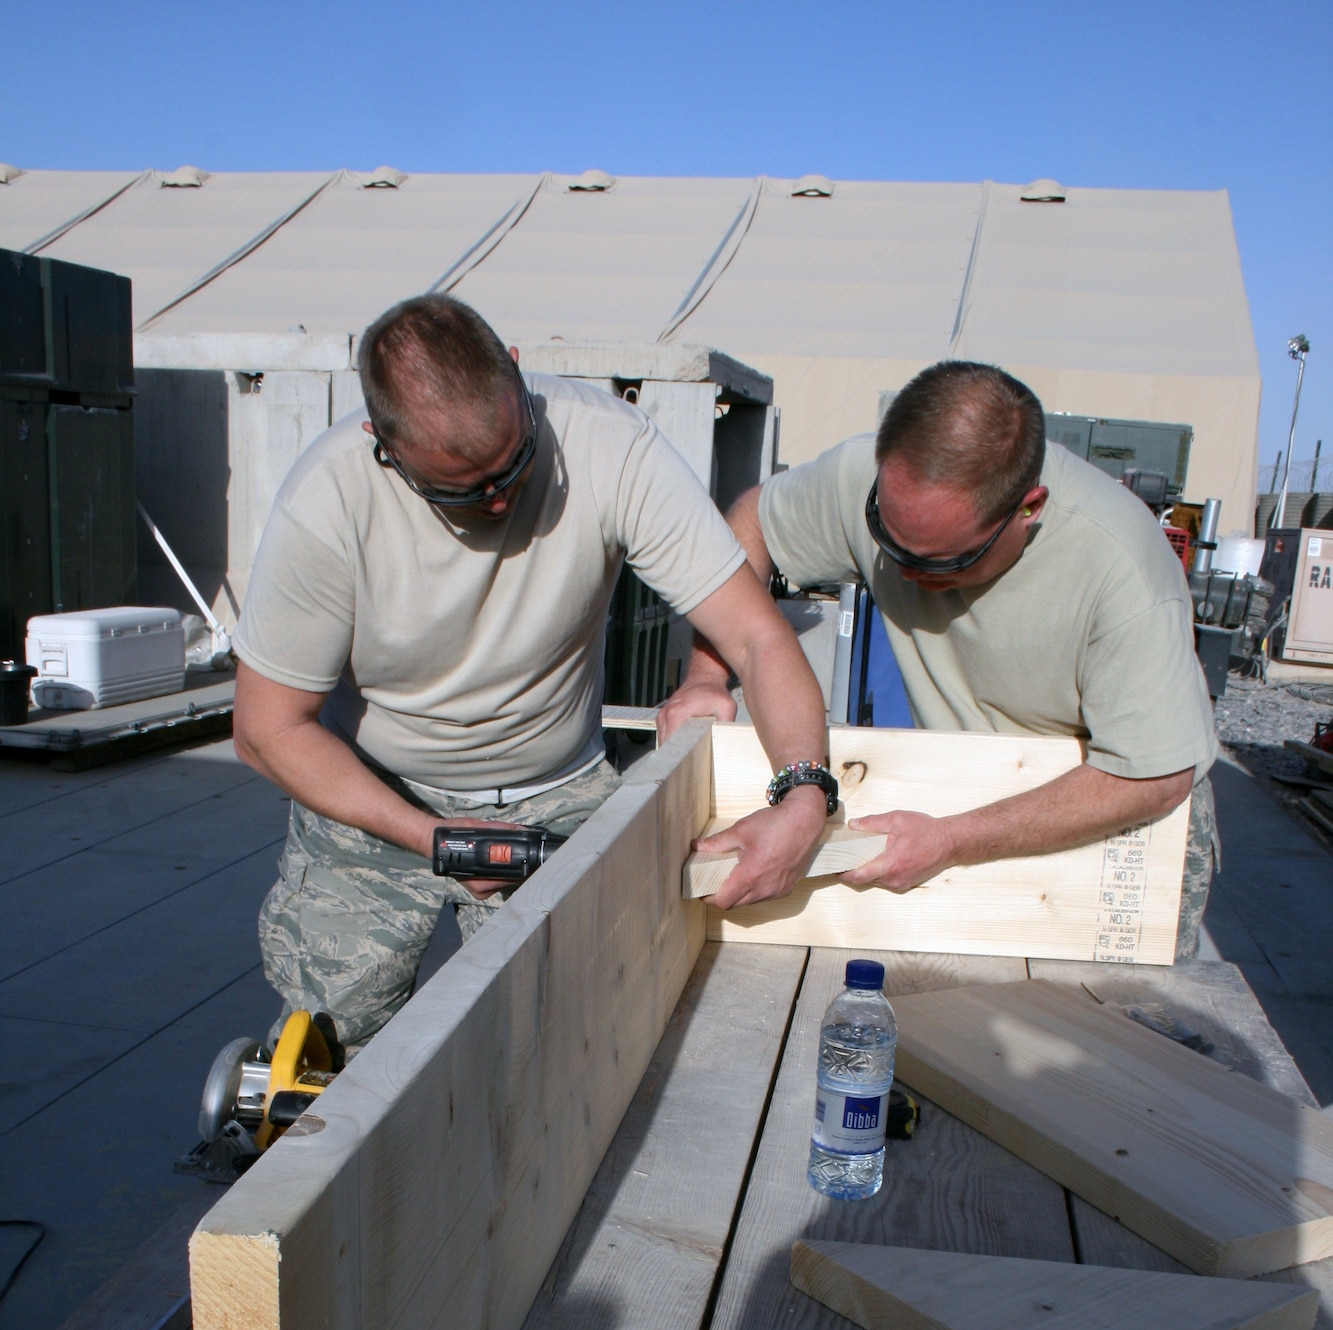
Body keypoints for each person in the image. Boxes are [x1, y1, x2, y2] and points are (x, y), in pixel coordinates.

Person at [232, 296, 832, 1057]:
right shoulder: (328, 500)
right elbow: (266, 729)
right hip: (373, 805)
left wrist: (805, 794)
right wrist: (430, 837)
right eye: (459, 490)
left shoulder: (610, 449)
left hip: (557, 797)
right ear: (381, 440)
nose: (499, 500)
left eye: (512, 466)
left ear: (515, 375)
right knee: (326, 1055)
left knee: (572, 1053)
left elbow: (756, 638)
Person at [662, 360, 1218, 956]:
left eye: (939, 562)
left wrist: (953, 839)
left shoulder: (1123, 568)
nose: (901, 571)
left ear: (1028, 509)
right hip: (959, 807)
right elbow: (753, 524)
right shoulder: (867, 478)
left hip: (1107, 827)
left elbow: (1153, 778)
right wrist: (705, 672)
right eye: (885, 537)